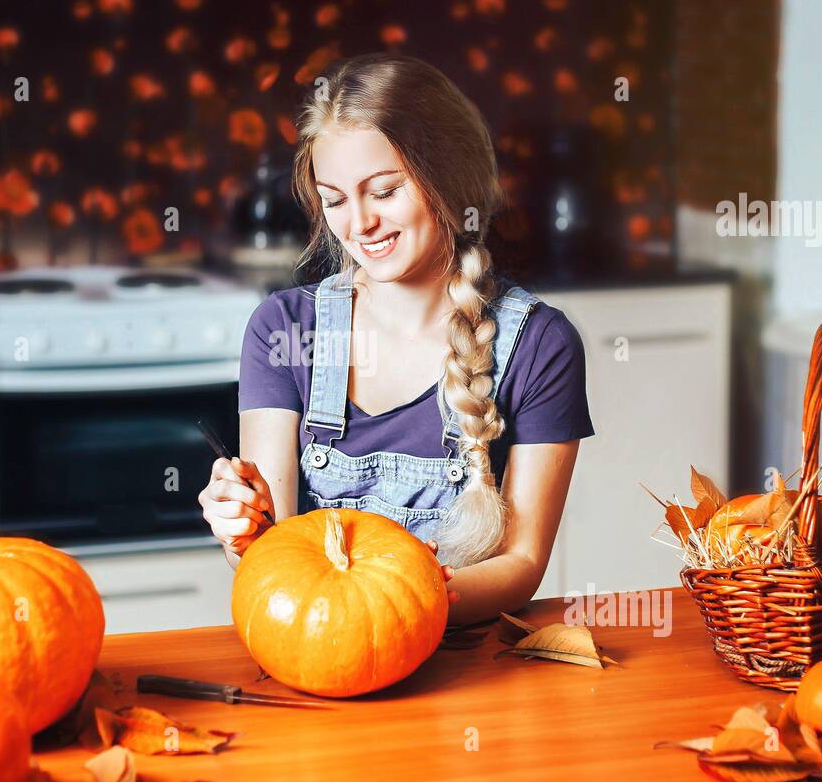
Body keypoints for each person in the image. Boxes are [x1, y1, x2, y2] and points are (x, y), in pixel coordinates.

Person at [199, 52, 594, 624]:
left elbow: (523, 561)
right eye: (334, 200)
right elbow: (274, 557)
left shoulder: (538, 344)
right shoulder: (283, 330)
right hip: (319, 657)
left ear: (449, 178)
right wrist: (245, 533)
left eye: (384, 191)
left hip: (462, 668)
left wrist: (407, 603)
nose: (359, 225)